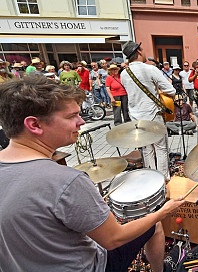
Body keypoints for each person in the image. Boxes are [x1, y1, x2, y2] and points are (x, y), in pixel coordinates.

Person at [0, 76, 185, 272]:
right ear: (34, 125)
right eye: (71, 116)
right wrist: (163, 212)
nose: (81, 122)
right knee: (153, 224)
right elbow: (114, 239)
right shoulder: (66, 182)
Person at [120, 41, 176, 180]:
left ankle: (151, 178)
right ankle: (163, 178)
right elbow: (171, 90)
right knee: (161, 148)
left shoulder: (124, 74)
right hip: (153, 115)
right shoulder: (150, 69)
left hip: (136, 117)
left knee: (146, 149)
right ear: (139, 51)